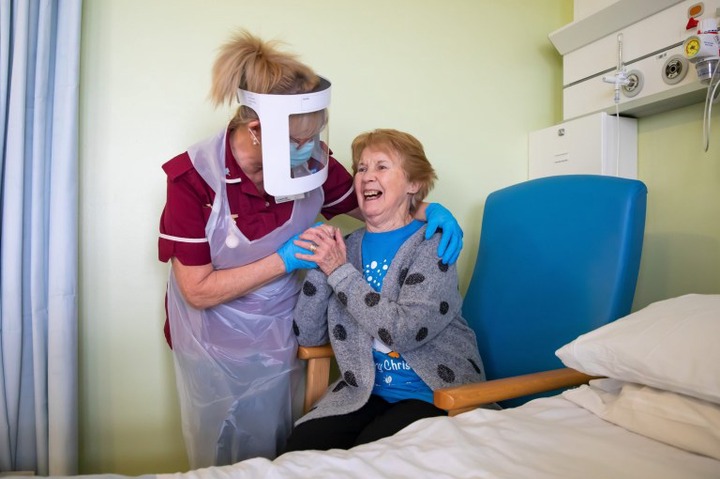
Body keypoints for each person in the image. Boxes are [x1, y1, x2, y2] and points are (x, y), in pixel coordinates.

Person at [157, 31, 464, 468]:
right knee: (222, 451)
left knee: (279, 447)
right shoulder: (194, 181)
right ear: (257, 130)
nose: (311, 152)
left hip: (283, 334)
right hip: (213, 338)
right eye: (299, 142)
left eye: (315, 136)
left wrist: (430, 208)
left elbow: (373, 203)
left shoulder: (312, 161)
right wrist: (286, 261)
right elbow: (198, 290)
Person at [284, 129, 485, 452]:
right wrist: (320, 265)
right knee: (302, 445)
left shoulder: (433, 245)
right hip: (365, 390)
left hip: (434, 392)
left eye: (381, 166)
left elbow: (403, 331)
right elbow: (307, 335)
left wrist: (338, 270)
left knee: (369, 456)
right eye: (361, 169)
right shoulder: (347, 248)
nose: (366, 177)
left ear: (414, 184)